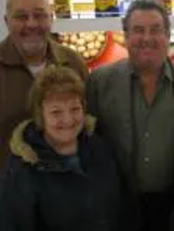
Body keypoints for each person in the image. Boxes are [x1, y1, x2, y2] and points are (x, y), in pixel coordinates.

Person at [86, 0, 174, 231]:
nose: (147, 38)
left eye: (155, 30)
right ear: (125, 36)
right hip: (118, 209)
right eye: (138, 30)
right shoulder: (99, 82)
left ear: (167, 35)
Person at [0, 66, 125, 231]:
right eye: (56, 112)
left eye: (74, 109)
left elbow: (124, 208)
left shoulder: (100, 148)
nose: (68, 119)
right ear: (40, 116)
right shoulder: (22, 169)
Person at [0, 0, 88, 170]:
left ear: (51, 19)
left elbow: (86, 121)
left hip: (66, 183)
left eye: (40, 16)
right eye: (21, 17)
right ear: (7, 22)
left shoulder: (73, 61)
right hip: (9, 188)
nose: (32, 24)